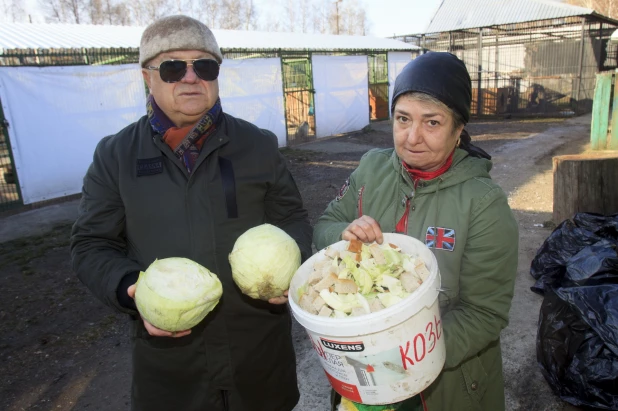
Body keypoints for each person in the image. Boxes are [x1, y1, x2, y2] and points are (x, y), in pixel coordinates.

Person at [70, 15, 312, 411]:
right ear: (147, 77)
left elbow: (292, 219)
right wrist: (131, 288)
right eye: (171, 67)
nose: (190, 77)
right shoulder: (116, 156)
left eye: (204, 65)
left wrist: (291, 265)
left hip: (258, 359)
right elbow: (91, 244)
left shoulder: (257, 145)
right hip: (172, 373)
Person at [314, 52, 518, 411]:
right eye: (403, 119)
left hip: (443, 384)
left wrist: (404, 359)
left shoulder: (483, 202)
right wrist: (343, 234)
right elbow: (324, 227)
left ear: (458, 130)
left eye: (433, 123)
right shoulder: (370, 170)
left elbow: (484, 312)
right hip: (364, 374)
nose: (412, 137)